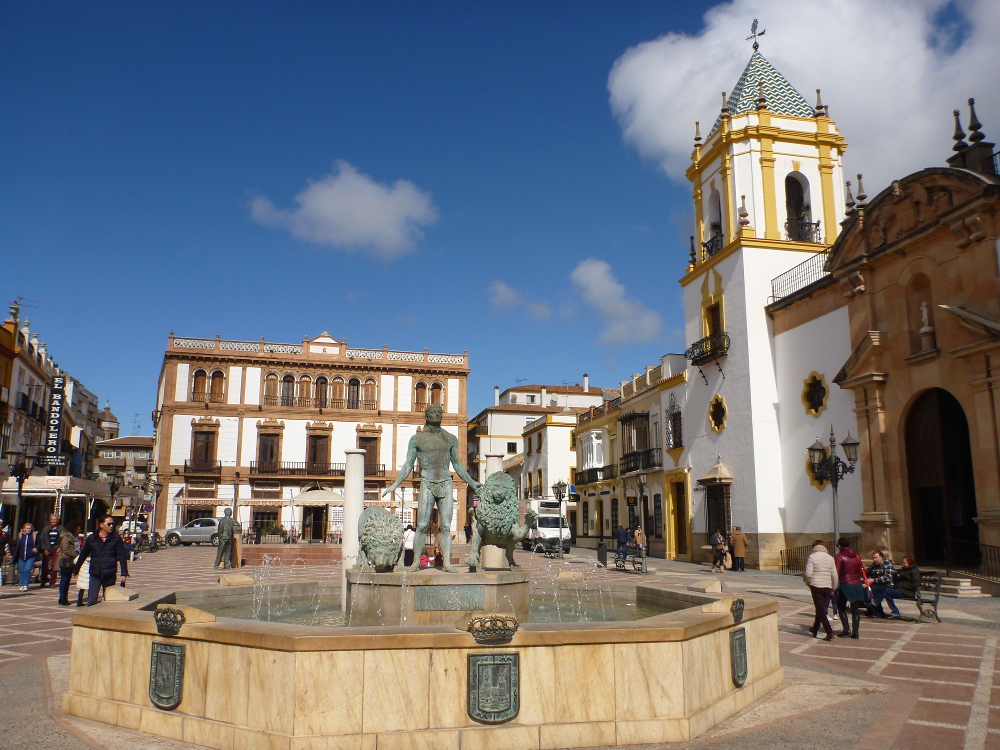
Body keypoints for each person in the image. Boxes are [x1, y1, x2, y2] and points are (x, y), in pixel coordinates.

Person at [381, 403, 482, 572]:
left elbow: (457, 464)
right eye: (433, 412)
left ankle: (447, 563)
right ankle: (415, 562)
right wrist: (395, 484)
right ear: (426, 416)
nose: (437, 414)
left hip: (445, 482)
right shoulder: (417, 439)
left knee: (445, 527)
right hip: (427, 482)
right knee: (421, 525)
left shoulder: (450, 438)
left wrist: (472, 482)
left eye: (439, 412)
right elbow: (408, 465)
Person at [73, 515, 129, 606]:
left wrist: (124, 573)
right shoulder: (92, 538)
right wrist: (76, 570)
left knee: (108, 600)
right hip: (95, 572)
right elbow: (84, 554)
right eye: (109, 524)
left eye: (113, 524)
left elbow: (122, 555)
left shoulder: (116, 538)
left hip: (109, 573)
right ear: (101, 525)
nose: (111, 526)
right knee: (91, 600)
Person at [803, 540, 838, 640]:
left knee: (820, 609)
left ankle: (829, 632)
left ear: (814, 547)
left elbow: (808, 574)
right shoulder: (830, 558)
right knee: (821, 607)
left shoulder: (812, 557)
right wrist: (834, 587)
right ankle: (815, 628)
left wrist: (808, 583)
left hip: (816, 585)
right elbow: (834, 575)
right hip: (827, 586)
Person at [835, 537, 867, 638]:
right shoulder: (857, 556)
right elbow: (861, 569)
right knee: (855, 609)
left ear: (840, 546)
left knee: (841, 607)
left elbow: (837, 572)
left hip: (845, 584)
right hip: (856, 583)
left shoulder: (839, 556)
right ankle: (856, 632)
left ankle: (846, 629)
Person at [866, 550, 902, 619]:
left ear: (882, 557)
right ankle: (875, 610)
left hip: (888, 584)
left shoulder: (888, 564)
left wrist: (873, 580)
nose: (874, 560)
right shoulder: (874, 565)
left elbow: (887, 578)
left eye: (876, 558)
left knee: (876, 590)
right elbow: (871, 575)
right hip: (878, 584)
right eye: (873, 558)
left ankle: (875, 608)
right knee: (868, 589)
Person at [38, 514, 66, 589]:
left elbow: (63, 539)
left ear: (58, 520)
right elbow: (42, 540)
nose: (53, 521)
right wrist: (44, 549)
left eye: (54, 520)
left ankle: (52, 582)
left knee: (54, 566)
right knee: (45, 565)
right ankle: (43, 581)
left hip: (56, 548)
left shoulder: (61, 529)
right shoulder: (46, 528)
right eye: (52, 520)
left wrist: (60, 548)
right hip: (47, 547)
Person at [57, 521, 81, 606]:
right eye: (78, 529)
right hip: (66, 560)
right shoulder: (66, 536)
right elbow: (66, 549)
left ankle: (64, 598)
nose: (79, 530)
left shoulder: (76, 537)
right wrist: (76, 555)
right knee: (64, 579)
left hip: (73, 560)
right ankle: (62, 598)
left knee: (67, 580)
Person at [12, 522, 38, 591]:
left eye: (29, 528)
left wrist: (36, 549)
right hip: (21, 556)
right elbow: (16, 545)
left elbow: (39, 544)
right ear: (23, 529)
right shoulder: (20, 535)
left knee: (27, 570)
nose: (28, 530)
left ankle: (25, 584)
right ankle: (21, 584)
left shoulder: (34, 535)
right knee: (21, 571)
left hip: (31, 556)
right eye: (27, 528)